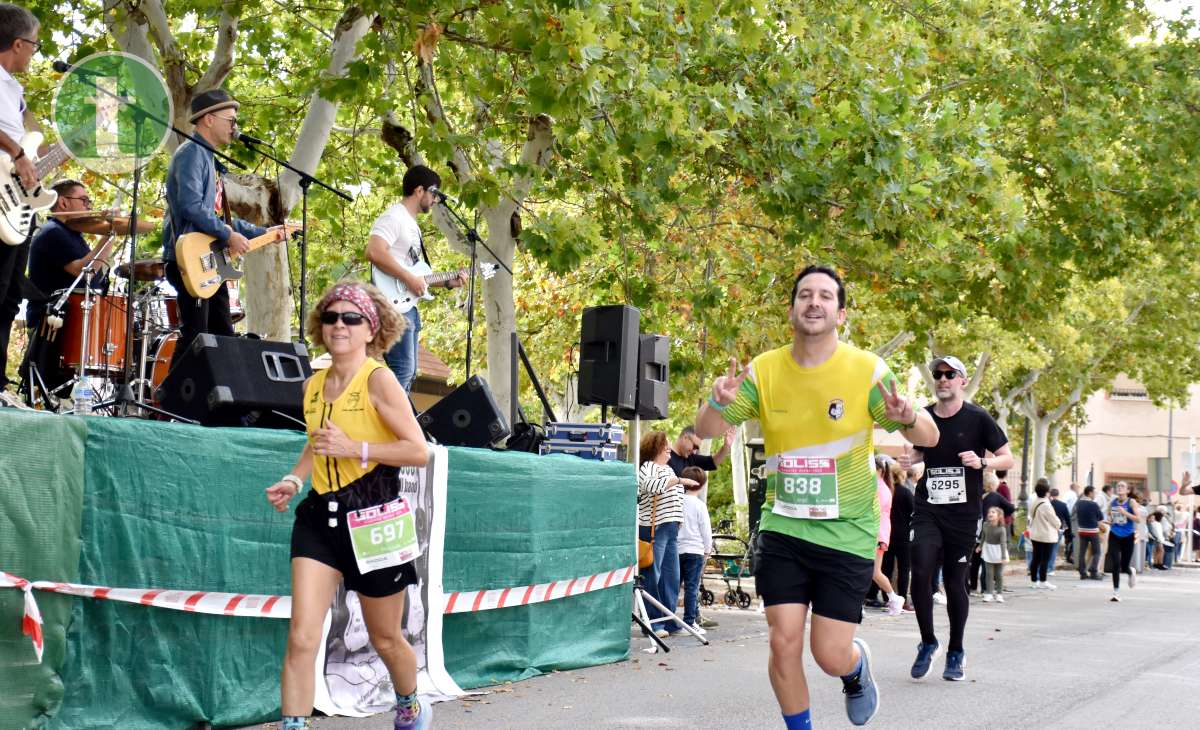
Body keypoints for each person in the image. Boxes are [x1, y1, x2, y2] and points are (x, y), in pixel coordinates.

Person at [695, 265, 939, 728]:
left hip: (847, 532)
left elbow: (927, 434)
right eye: (805, 294)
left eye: (825, 296)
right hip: (783, 526)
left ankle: (854, 670)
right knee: (782, 642)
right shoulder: (764, 370)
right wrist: (718, 403)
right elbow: (705, 430)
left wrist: (907, 417)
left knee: (828, 654)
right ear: (791, 309)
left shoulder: (867, 370)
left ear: (840, 313)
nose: (814, 302)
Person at [263, 281, 431, 730]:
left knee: (386, 637)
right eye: (332, 317)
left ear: (369, 329)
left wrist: (356, 448)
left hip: (374, 517)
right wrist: (295, 478)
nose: (340, 325)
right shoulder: (314, 384)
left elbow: (419, 451)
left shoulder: (379, 380)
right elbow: (317, 445)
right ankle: (295, 724)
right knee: (301, 636)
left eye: (351, 318)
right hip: (320, 519)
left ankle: (410, 703)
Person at [899, 354, 1013, 683]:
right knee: (919, 571)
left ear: (963, 380)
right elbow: (921, 449)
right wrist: (911, 460)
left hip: (962, 515)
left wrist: (982, 462)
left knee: (954, 582)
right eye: (938, 374)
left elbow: (1008, 456)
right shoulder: (925, 415)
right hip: (928, 508)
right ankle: (928, 641)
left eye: (950, 374)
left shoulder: (978, 418)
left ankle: (956, 651)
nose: (943, 379)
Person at [162, 89, 285, 366]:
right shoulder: (191, 154)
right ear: (208, 119)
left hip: (209, 260)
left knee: (223, 337)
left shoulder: (209, 159)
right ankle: (165, 403)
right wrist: (229, 234)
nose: (235, 127)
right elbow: (191, 206)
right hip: (189, 259)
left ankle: (215, 403)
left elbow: (219, 217)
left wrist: (264, 233)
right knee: (196, 336)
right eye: (230, 120)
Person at [366, 165, 465, 391]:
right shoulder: (394, 217)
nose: (435, 200)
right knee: (404, 369)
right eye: (434, 194)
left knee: (409, 373)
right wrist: (409, 279)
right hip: (392, 305)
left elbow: (418, 273)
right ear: (419, 190)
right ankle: (391, 422)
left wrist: (449, 282)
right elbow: (374, 252)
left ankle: (395, 420)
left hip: (406, 305)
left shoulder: (412, 225)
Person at [20, 179, 116, 397]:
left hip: (68, 322)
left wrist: (110, 234)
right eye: (83, 200)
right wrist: (109, 234)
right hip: (52, 325)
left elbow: (94, 276)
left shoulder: (71, 235)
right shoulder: (54, 232)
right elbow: (84, 270)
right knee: (55, 391)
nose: (88, 206)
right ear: (63, 203)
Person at [0, 4, 40, 392]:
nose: (34, 52)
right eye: (34, 45)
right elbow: (15, 149)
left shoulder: (15, 90)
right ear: (16, 43)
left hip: (16, 205)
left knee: (11, 295)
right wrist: (18, 153)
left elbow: (28, 145)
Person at [637, 430, 698, 637]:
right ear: (656, 448)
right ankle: (654, 624)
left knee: (671, 576)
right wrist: (680, 481)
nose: (668, 448)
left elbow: (674, 498)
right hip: (654, 528)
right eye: (665, 445)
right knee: (652, 575)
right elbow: (652, 486)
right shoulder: (647, 467)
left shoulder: (669, 470)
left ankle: (670, 621)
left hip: (670, 528)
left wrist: (679, 520)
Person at [678, 465, 713, 635]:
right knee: (692, 587)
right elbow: (705, 530)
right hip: (695, 550)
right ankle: (689, 622)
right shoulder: (700, 505)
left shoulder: (677, 501)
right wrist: (707, 550)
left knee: (673, 587)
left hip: (676, 549)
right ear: (701, 485)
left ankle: (670, 619)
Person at [868, 455, 904, 616]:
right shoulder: (881, 486)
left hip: (876, 533)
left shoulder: (880, 489)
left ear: (880, 470)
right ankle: (894, 598)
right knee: (872, 571)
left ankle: (894, 598)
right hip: (877, 533)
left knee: (873, 571)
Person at [1104, 482, 1141, 602]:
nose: (1119, 488)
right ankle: (1116, 592)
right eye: (1118, 486)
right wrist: (1109, 521)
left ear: (1127, 490)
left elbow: (1138, 519)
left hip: (1128, 536)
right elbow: (1110, 517)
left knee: (1124, 566)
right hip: (1114, 534)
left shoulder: (1131, 502)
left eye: (1122, 486)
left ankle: (1131, 571)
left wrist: (1124, 513)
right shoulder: (1112, 502)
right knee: (1115, 563)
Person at [668, 423, 736, 476]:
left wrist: (726, 446)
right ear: (685, 437)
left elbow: (712, 463)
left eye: (697, 449)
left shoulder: (691, 458)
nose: (694, 452)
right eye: (694, 446)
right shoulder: (664, 456)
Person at [1027, 481, 1061, 589]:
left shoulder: (1034, 502)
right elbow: (1055, 521)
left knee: (1036, 558)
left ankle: (1034, 581)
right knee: (1045, 559)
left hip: (1035, 534)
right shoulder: (1046, 505)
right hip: (1046, 535)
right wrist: (1059, 524)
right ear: (1047, 492)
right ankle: (1043, 580)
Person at [1073, 486, 1105, 580]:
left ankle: (1082, 573)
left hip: (1081, 530)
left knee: (1082, 552)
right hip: (1093, 531)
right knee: (1097, 552)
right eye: (1094, 493)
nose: (1095, 495)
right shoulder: (1093, 504)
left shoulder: (1078, 503)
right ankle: (1093, 571)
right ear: (1090, 493)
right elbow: (1100, 517)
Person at [978, 507, 1008, 603]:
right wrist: (980, 546)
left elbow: (1003, 543)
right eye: (989, 512)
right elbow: (983, 537)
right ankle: (989, 593)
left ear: (999, 516)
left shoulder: (1001, 529)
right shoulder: (985, 525)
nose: (990, 513)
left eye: (993, 512)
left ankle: (999, 594)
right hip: (988, 550)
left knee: (998, 574)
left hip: (999, 551)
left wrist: (1003, 557)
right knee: (989, 574)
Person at [1049, 488, 1071, 576]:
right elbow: (1067, 518)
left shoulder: (1048, 504)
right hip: (1059, 529)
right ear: (1058, 495)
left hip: (1048, 528)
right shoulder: (1063, 505)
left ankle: (1045, 567)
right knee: (1054, 549)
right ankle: (1050, 569)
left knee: (1047, 549)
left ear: (1050, 494)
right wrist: (1069, 530)